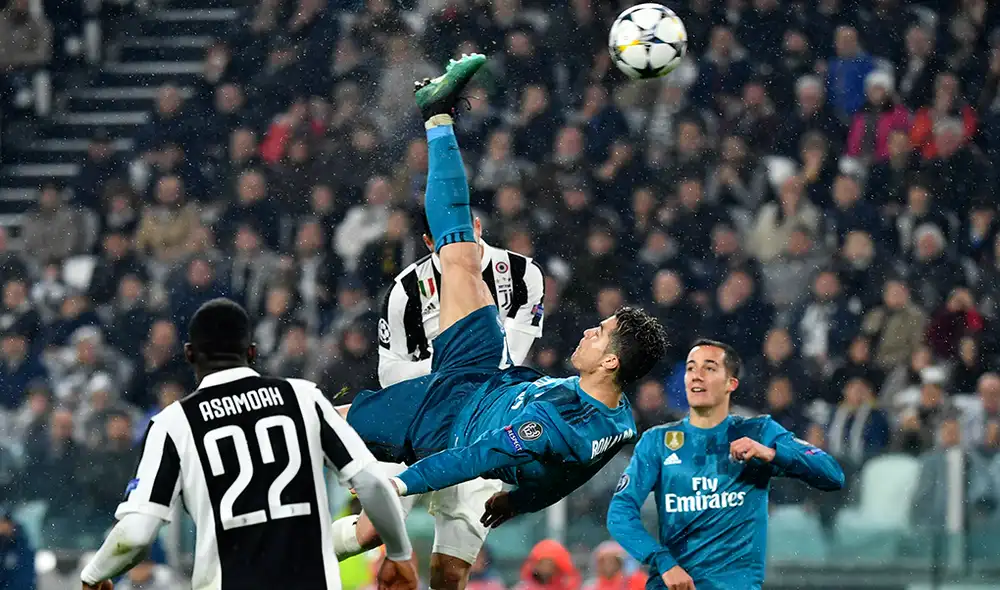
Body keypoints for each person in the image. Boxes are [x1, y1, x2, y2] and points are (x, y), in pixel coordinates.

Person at [333, 54, 668, 590]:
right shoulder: (618, 419)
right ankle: (438, 115)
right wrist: (524, 499)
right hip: (484, 371)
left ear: (610, 359)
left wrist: (403, 485)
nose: (585, 330)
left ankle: (295, 546)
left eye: (598, 332)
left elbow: (477, 456)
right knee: (460, 254)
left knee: (330, 436)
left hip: (447, 424)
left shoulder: (555, 427)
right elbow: (567, 478)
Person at [80, 298, 417, 590]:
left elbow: (137, 534)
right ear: (252, 352)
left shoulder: (174, 425)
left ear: (189, 355)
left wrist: (95, 574)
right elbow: (373, 482)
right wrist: (400, 556)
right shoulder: (303, 397)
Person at [607, 339, 844, 590]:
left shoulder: (758, 431)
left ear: (731, 383)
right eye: (690, 368)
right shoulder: (657, 441)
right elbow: (620, 514)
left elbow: (832, 474)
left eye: (709, 368)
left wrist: (772, 454)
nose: (696, 376)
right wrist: (662, 561)